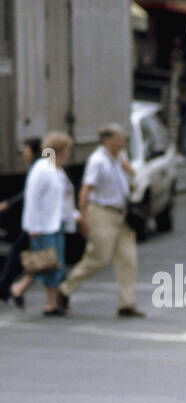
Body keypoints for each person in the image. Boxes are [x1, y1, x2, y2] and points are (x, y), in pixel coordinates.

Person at [57, 124, 139, 317]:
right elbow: (85, 191)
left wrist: (130, 171)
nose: (123, 142)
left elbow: (133, 183)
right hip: (103, 213)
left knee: (128, 259)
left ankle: (126, 303)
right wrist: (84, 218)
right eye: (120, 138)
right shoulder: (97, 161)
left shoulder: (121, 158)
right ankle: (65, 289)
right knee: (98, 257)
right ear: (108, 140)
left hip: (122, 214)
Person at [17, 133, 79, 317]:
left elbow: (64, 199)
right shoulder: (42, 169)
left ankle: (48, 300)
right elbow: (33, 200)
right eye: (67, 150)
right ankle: (46, 301)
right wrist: (33, 227)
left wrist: (74, 217)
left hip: (55, 223)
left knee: (54, 263)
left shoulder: (56, 169)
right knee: (49, 263)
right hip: (43, 225)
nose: (69, 154)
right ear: (60, 150)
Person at [1, 137, 43, 307]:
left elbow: (29, 195)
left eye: (26, 150)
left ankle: (13, 287)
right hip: (36, 222)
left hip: (38, 222)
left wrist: (9, 204)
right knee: (24, 254)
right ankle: (10, 287)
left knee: (44, 259)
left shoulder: (40, 169)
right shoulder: (40, 167)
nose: (24, 153)